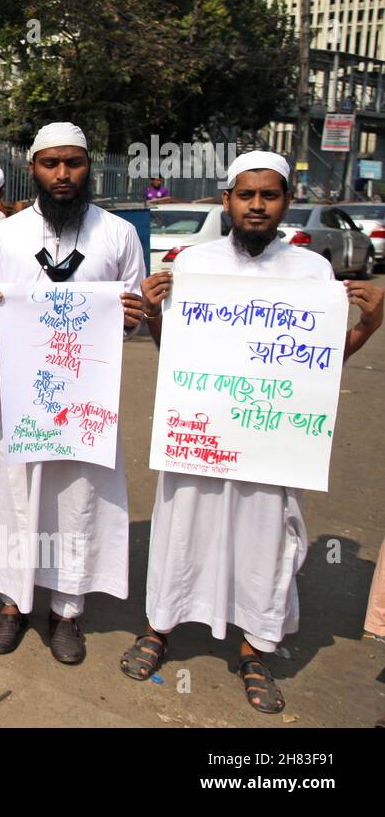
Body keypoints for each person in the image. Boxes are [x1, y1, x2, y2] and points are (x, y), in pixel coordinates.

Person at [124, 150, 383, 714]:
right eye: (247, 195)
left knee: (265, 541)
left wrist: (367, 325)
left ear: (286, 202)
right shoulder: (193, 264)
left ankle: (254, 648)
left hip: (271, 441)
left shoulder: (311, 272)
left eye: (269, 196)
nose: (257, 206)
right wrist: (152, 314)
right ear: (228, 201)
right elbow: (175, 356)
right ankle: (159, 627)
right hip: (201, 435)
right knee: (181, 530)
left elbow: (318, 365)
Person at [0, 122, 145, 665]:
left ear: (88, 166)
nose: (63, 174)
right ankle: (11, 603)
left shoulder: (117, 234)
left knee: (77, 499)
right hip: (21, 397)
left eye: (74, 163)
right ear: (34, 170)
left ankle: (67, 609)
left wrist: (134, 318)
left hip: (86, 400)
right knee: (14, 498)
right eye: (52, 164)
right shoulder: (5, 235)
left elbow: (132, 319)